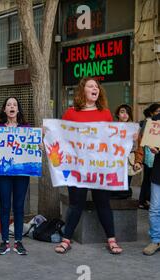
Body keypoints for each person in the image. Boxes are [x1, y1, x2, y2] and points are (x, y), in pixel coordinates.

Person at [54, 77, 123, 255]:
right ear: (82, 90)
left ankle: (112, 240)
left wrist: (128, 138)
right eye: (91, 86)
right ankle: (66, 239)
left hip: (99, 168)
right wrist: (49, 134)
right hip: (78, 169)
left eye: (97, 86)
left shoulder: (105, 113)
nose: (95, 88)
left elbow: (112, 139)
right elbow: (62, 138)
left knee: (103, 203)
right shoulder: (71, 113)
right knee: (76, 204)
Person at [0, 97, 31, 255]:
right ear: (4, 109)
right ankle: (4, 241)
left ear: (18, 109)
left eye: (15, 104)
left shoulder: (26, 129)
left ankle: (18, 241)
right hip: (3, 174)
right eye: (9, 104)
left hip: (21, 174)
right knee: (4, 206)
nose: (12, 107)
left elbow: (31, 148)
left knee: (19, 206)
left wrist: (38, 146)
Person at [110, 104, 142, 199]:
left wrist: (138, 161)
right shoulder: (112, 128)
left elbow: (139, 147)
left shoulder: (134, 129)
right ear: (117, 114)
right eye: (122, 112)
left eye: (127, 113)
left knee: (124, 188)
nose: (125, 114)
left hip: (129, 161)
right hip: (114, 161)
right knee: (113, 189)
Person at [142, 111, 160, 255]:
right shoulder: (156, 119)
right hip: (158, 173)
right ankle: (156, 240)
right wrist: (150, 145)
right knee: (154, 209)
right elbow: (149, 138)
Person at [137, 103, 160, 210]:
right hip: (150, 155)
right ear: (152, 113)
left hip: (153, 156)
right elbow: (143, 138)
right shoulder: (149, 122)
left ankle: (145, 200)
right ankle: (143, 200)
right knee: (148, 179)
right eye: (157, 111)